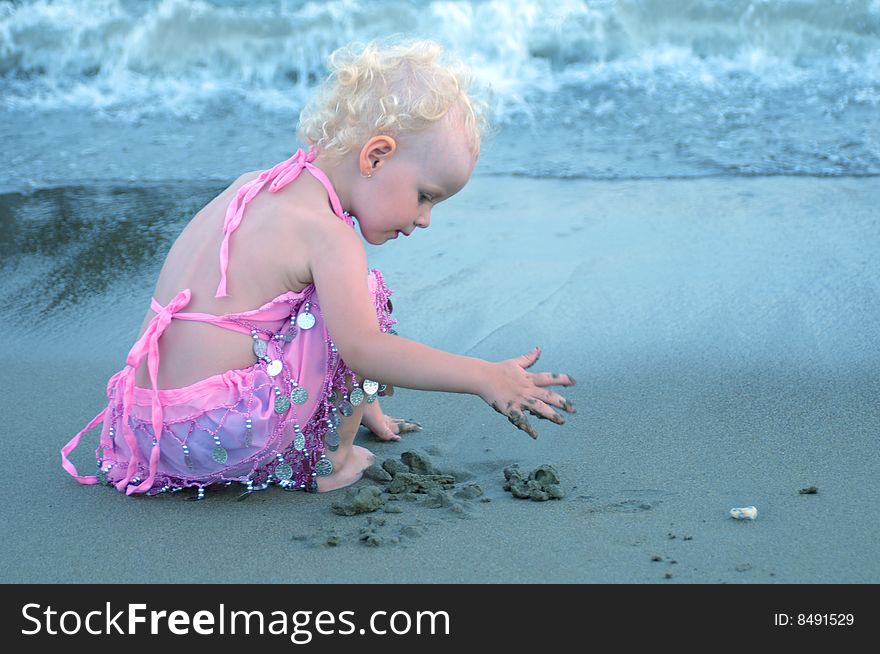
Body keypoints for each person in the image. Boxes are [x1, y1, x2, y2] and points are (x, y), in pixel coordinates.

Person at [61, 39, 576, 499]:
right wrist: (484, 377)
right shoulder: (329, 236)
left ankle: (352, 415)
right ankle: (334, 458)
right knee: (362, 299)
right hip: (216, 439)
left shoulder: (253, 185)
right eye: (425, 197)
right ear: (375, 156)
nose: (424, 220)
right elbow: (364, 351)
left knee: (314, 304)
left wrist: (360, 399)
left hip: (144, 431)